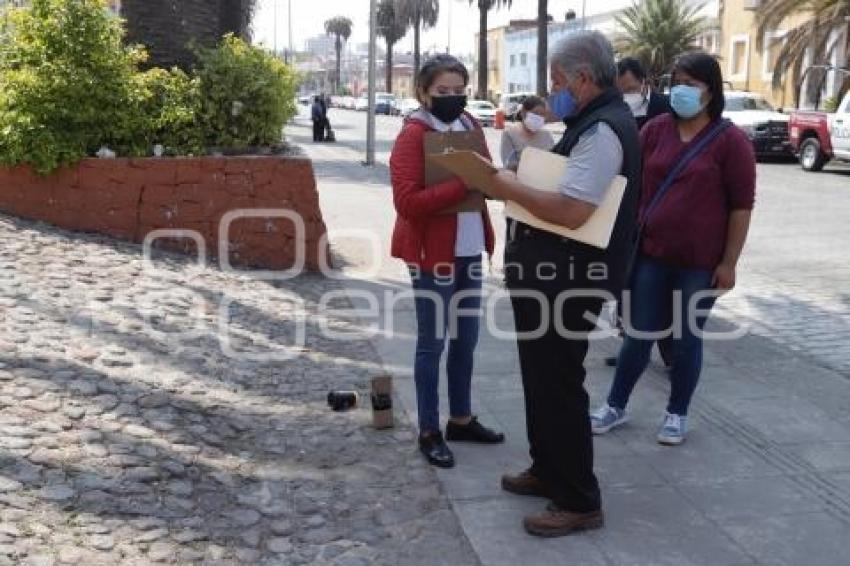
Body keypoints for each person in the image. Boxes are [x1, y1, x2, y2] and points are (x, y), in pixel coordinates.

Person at [467, 32, 641, 537]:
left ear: (583, 78)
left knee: (560, 386)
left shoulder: (603, 130)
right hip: (550, 276)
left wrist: (502, 185)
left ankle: (579, 499)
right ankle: (548, 469)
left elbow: (572, 209)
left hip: (567, 280)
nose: (552, 91)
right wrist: (516, 177)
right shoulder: (589, 122)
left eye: (557, 81)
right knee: (541, 380)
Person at [591, 52, 756, 446]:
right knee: (637, 335)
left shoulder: (730, 141)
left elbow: (741, 206)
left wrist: (729, 262)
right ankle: (615, 404)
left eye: (692, 83)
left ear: (710, 90)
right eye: (677, 81)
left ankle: (676, 414)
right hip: (651, 254)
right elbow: (626, 181)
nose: (681, 89)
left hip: (699, 264)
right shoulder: (656, 130)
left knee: (686, 340)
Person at [389, 54, 504, 469]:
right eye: (443, 92)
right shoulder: (413, 135)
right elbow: (407, 202)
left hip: (469, 250)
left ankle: (460, 418)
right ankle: (429, 430)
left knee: (466, 340)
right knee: (432, 343)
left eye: (459, 91)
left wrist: (497, 181)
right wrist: (463, 184)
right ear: (423, 93)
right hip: (431, 256)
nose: (453, 99)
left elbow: (487, 178)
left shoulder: (470, 125)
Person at [605, 57, 675, 369]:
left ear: (644, 80)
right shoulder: (612, 108)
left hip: (657, 200)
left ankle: (671, 353)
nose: (626, 92)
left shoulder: (665, 107)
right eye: (622, 88)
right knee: (625, 274)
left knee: (660, 281)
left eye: (631, 87)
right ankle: (629, 347)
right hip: (621, 200)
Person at [499, 96, 555, 171]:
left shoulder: (546, 135)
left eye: (542, 114)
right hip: (517, 180)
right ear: (523, 112)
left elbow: (553, 161)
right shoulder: (510, 133)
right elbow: (509, 164)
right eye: (536, 113)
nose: (539, 117)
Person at [617, 57, 673, 130]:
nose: (626, 95)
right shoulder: (615, 111)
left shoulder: (667, 105)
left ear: (644, 82)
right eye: (621, 91)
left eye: (631, 89)